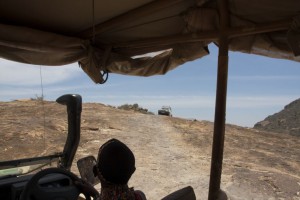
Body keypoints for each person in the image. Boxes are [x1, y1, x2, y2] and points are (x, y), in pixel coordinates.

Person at [77, 138, 146, 200]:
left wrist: (95, 195)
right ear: (132, 171)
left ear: (95, 171)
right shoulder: (140, 196)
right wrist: (95, 194)